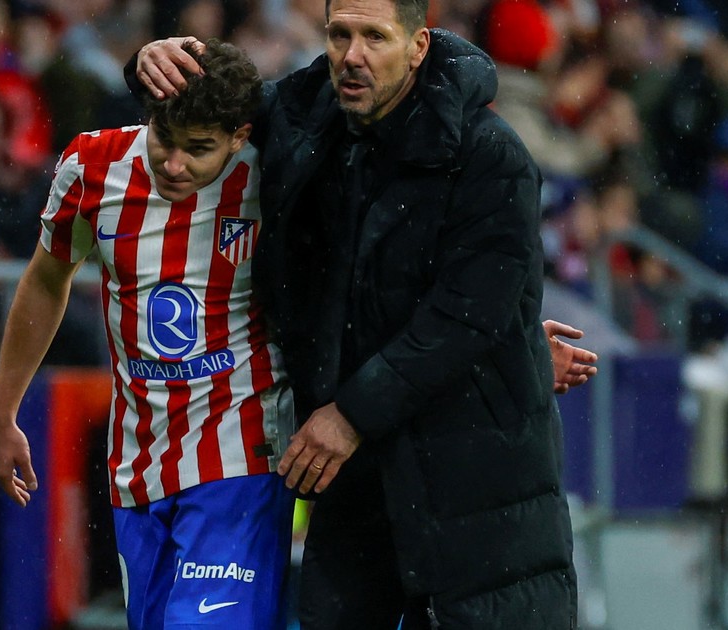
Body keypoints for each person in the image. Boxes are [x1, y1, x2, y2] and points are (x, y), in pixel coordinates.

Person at [134, 0, 582, 626]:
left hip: (476, 483)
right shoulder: (305, 116)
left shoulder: (489, 155)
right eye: (339, 35)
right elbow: (214, 104)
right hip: (357, 485)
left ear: (419, 46)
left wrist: (351, 414)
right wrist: (152, 61)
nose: (352, 56)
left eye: (375, 37)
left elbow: (466, 316)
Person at [0, 41, 297, 630]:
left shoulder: (275, 174)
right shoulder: (92, 167)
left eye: (198, 148)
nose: (175, 164)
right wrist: (3, 412)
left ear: (238, 137)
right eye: (164, 140)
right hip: (137, 461)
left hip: (244, 448)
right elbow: (47, 279)